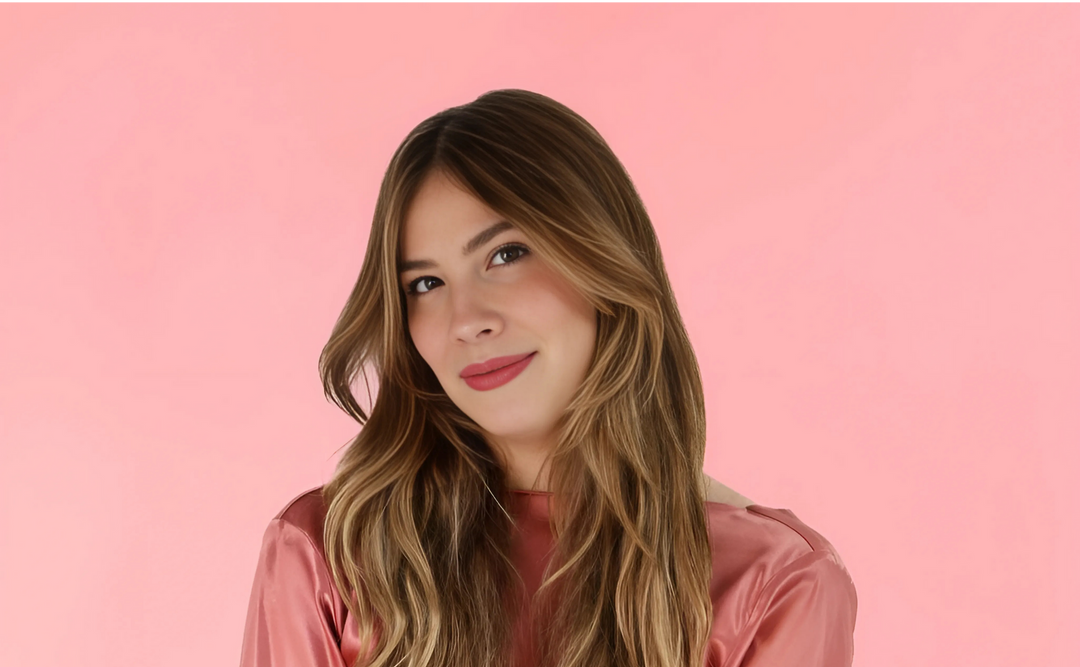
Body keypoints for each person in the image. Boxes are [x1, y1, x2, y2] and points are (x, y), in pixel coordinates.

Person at [238, 89, 857, 667]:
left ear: (602, 256)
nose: (467, 320)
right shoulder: (324, 557)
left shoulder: (772, 583)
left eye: (505, 254)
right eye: (425, 284)